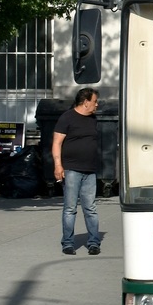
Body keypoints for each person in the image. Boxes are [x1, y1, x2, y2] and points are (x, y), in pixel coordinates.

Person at [53, 87, 102, 256]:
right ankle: (68, 243)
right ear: (86, 101)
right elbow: (57, 143)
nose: (97, 104)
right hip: (72, 170)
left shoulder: (93, 119)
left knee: (91, 208)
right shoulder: (67, 117)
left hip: (90, 170)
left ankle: (94, 242)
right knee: (70, 208)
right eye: (95, 101)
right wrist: (58, 166)